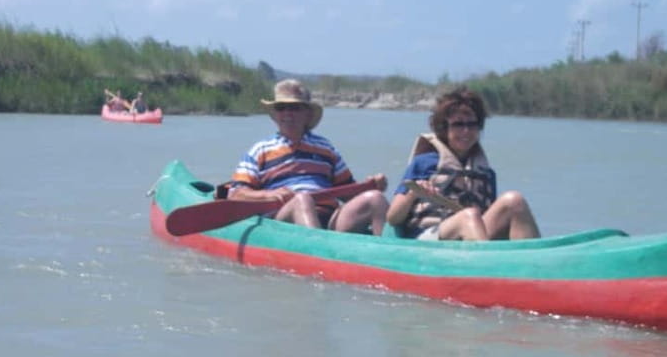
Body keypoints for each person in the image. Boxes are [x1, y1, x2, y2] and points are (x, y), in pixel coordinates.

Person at [227, 79, 389, 235]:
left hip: (329, 218)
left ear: (307, 114)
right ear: (275, 114)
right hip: (283, 219)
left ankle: (390, 254)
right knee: (302, 200)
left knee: (375, 198)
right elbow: (236, 193)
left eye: (295, 108)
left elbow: (348, 192)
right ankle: (319, 252)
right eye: (281, 108)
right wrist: (268, 194)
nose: (287, 113)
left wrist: (371, 186)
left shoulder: (326, 148)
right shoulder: (260, 150)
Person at [386, 87, 540, 241]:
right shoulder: (424, 162)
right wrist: (414, 194)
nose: (466, 131)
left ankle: (534, 260)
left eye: (472, 124)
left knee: (514, 200)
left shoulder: (485, 172)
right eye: (458, 124)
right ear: (444, 128)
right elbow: (393, 217)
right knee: (468, 215)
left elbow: (487, 215)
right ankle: (485, 262)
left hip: (474, 234)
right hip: (430, 238)